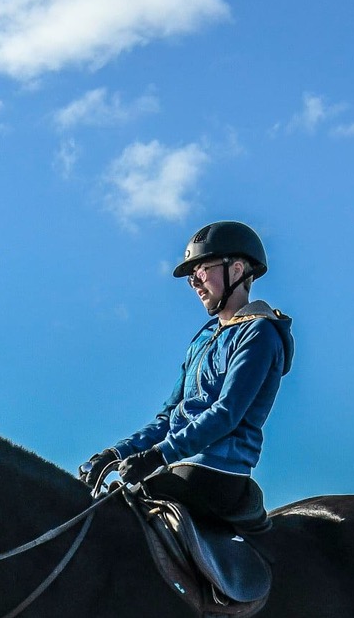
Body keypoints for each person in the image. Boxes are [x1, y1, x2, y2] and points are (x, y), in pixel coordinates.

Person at [79, 220, 293, 533]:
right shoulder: (202, 340)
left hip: (215, 470)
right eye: (191, 275)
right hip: (175, 464)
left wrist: (158, 455)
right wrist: (117, 452)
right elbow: (167, 418)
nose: (194, 281)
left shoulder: (259, 333)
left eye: (202, 268)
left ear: (236, 270)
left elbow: (226, 413)